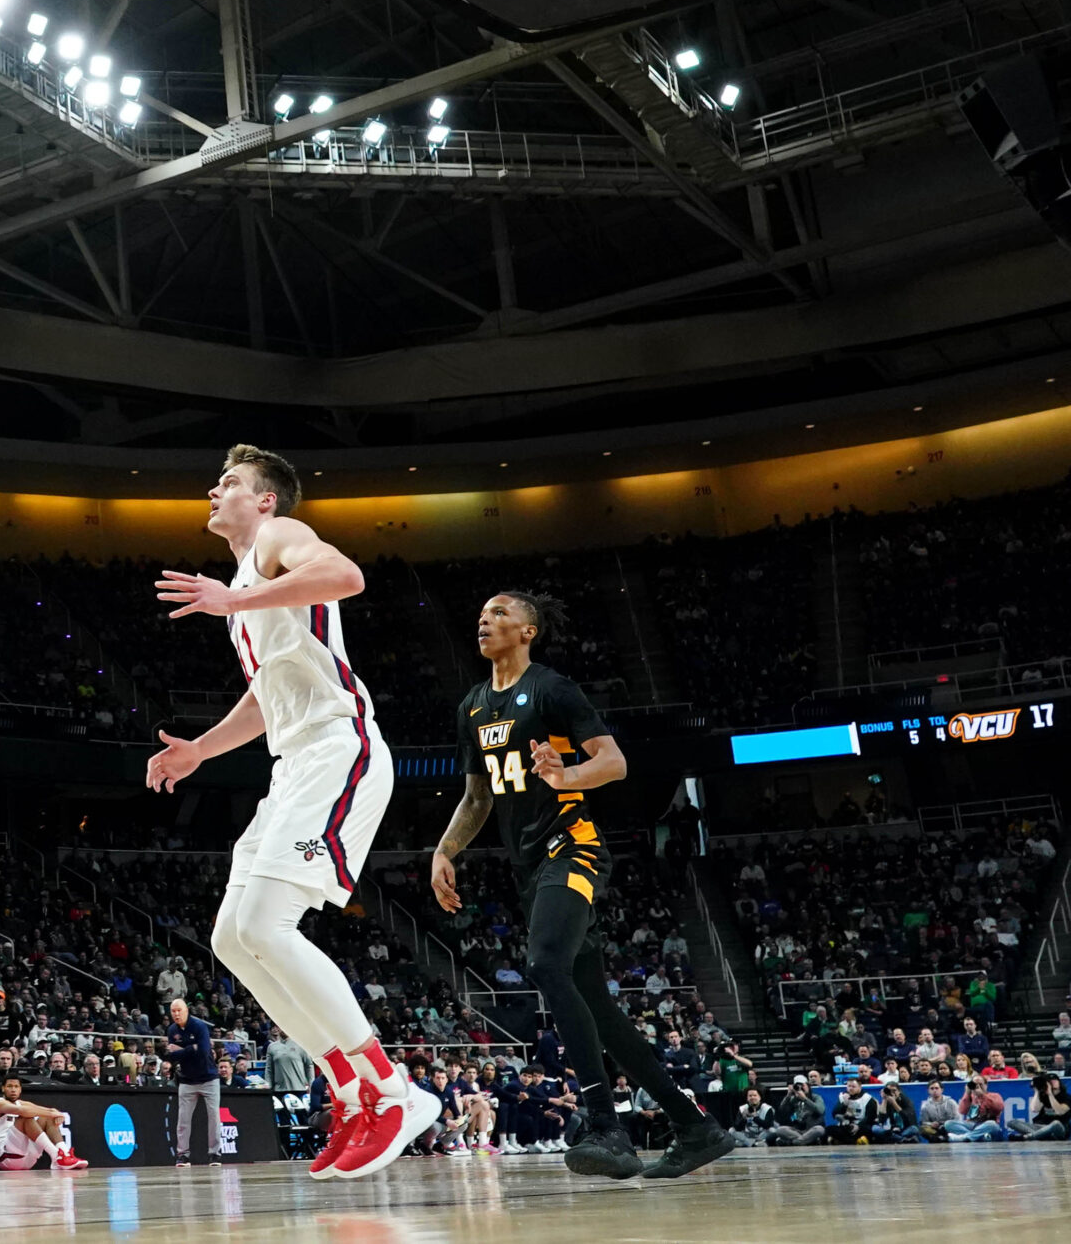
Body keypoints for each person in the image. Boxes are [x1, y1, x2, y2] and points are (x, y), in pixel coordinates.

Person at [145, 446, 423, 1179]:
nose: (214, 487)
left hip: (341, 748)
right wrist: (201, 749)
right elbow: (266, 697)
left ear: (266, 501)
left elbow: (348, 575)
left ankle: (393, 1088)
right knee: (233, 935)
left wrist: (234, 600)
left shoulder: (277, 539)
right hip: (294, 762)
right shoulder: (247, 581)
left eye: (230, 482)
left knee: (267, 921)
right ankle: (351, 1090)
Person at [431, 592, 731, 1181]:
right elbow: (477, 797)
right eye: (482, 613)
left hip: (574, 846)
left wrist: (567, 774)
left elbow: (614, 762)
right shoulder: (472, 705)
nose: (484, 619)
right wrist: (444, 850)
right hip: (527, 866)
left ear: (528, 631)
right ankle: (695, 1127)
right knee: (596, 1005)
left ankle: (604, 1125)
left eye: (498, 613)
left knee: (545, 963)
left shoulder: (552, 690)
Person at [162, 999, 223, 1166]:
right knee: (183, 1119)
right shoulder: (172, 1030)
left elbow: (203, 1051)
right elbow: (171, 1056)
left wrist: (182, 1050)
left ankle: (215, 1154)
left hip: (208, 1077)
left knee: (214, 1117)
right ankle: (183, 1155)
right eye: (173, 1011)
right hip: (187, 1079)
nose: (176, 1014)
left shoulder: (199, 1026)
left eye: (179, 1010)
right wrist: (192, 1048)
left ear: (186, 1010)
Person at [0, 1074, 85, 1171]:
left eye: (16, 1086)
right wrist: (51, 1113)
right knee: (26, 1117)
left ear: (20, 1089)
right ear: (3, 1088)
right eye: (9, 1086)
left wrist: (56, 1113)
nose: (13, 1089)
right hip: (5, 1157)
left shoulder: (22, 1103)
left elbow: (50, 1111)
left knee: (46, 1118)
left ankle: (65, 1154)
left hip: (28, 1158)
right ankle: (56, 1156)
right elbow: (22, 1111)